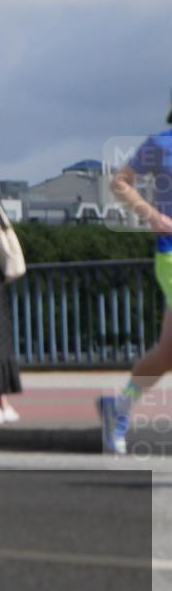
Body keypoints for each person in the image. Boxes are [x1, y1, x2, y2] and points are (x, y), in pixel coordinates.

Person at [99, 100, 172, 454]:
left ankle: (119, 407)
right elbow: (121, 182)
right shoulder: (160, 144)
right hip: (171, 253)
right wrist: (152, 215)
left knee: (168, 352)